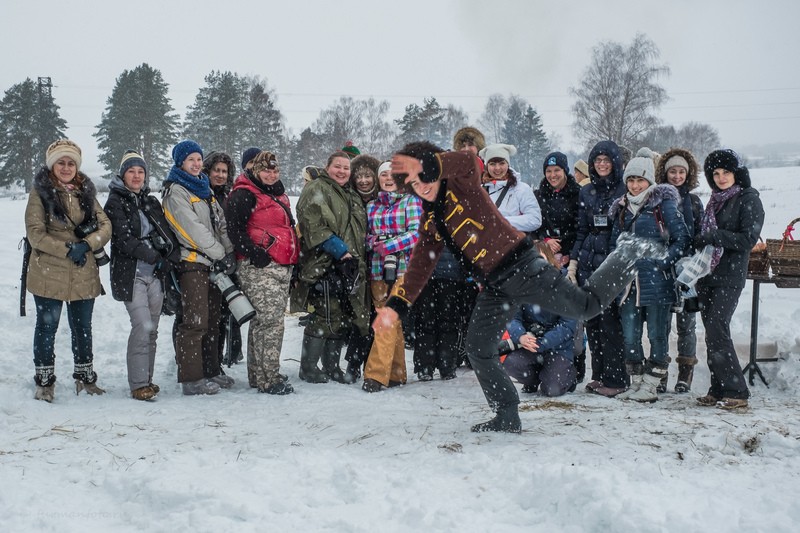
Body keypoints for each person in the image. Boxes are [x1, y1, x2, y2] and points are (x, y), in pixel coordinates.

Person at [373, 141, 663, 433]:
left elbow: (468, 161)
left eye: (423, 176)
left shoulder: (463, 184)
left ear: (435, 170)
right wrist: (395, 307)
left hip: (523, 267)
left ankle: (628, 252)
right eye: (412, 183)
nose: (420, 185)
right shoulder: (432, 219)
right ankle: (506, 413)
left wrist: (429, 163)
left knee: (587, 306)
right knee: (478, 348)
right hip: (495, 286)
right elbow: (420, 265)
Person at [25, 139, 112, 402]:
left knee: (82, 327)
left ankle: (85, 378)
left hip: (83, 270)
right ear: (52, 165)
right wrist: (67, 249)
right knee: (46, 327)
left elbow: (105, 225)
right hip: (48, 272)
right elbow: (35, 234)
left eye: (71, 162)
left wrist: (86, 244)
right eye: (61, 162)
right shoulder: (40, 193)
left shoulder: (86, 191)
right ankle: (44, 381)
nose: (66, 167)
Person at [609, 153, 690, 403]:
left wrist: (662, 263)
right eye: (631, 180)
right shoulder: (622, 208)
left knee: (657, 334)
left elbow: (682, 239)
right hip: (629, 284)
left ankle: (652, 384)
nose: (635, 186)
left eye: (640, 180)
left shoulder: (662, 204)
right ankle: (637, 381)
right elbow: (615, 241)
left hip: (658, 282)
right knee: (631, 335)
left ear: (649, 181)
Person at [105, 150, 181, 401]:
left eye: (141, 172)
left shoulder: (151, 202)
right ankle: (138, 384)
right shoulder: (115, 202)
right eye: (131, 171)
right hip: (132, 274)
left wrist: (169, 258)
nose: (136, 176)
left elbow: (167, 233)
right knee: (141, 325)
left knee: (153, 329)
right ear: (122, 174)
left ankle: (147, 379)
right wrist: (153, 257)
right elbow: (124, 240)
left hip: (155, 274)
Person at [162, 140, 236, 395]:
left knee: (213, 320)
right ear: (180, 162)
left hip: (214, 264)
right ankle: (191, 378)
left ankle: (211, 370)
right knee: (194, 322)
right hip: (192, 263)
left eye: (198, 159)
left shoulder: (204, 190)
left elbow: (221, 224)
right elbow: (192, 229)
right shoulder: (177, 191)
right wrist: (219, 252)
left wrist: (228, 252)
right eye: (190, 159)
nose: (195, 164)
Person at [694, 149, 764, 409]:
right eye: (716, 173)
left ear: (737, 173)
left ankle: (737, 391)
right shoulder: (715, 200)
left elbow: (748, 239)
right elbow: (706, 234)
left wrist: (715, 236)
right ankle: (718, 387)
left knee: (717, 327)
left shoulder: (748, 199)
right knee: (712, 334)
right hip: (707, 275)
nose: (721, 178)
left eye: (726, 172)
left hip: (730, 275)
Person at [291, 151, 369, 384]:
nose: (342, 171)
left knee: (343, 316)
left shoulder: (350, 194)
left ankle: (332, 365)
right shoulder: (317, 188)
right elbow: (312, 223)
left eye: (346, 168)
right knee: (325, 314)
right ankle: (308, 367)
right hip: (324, 263)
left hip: (349, 266)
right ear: (327, 167)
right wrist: (338, 250)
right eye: (338, 166)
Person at [225, 151, 298, 395]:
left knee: (262, 322)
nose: (271, 174)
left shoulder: (276, 194)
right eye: (266, 170)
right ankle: (270, 378)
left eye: (275, 170)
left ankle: (259, 374)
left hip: (280, 264)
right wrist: (255, 254)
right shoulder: (244, 194)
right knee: (271, 323)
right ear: (255, 170)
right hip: (260, 266)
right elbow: (235, 230)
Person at [568, 140, 628, 397]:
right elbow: (581, 229)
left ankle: (616, 379)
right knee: (592, 322)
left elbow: (624, 229)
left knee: (610, 323)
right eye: (597, 161)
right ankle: (599, 375)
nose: (602, 165)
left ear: (615, 162)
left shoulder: (624, 189)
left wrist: (615, 263)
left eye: (606, 160)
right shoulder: (586, 191)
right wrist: (574, 261)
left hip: (611, 263)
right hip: (587, 263)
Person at [361, 161, 423, 392]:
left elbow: (417, 233)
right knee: (389, 320)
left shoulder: (411, 201)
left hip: (404, 269)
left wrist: (388, 244)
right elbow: (366, 236)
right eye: (384, 174)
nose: (388, 178)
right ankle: (396, 373)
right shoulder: (372, 206)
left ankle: (375, 375)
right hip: (377, 269)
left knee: (386, 319)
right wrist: (374, 242)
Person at [655, 148, 705, 393]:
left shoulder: (694, 201)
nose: (676, 176)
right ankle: (661, 370)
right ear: (665, 173)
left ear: (688, 174)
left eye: (681, 172)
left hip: (688, 269)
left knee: (686, 323)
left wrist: (693, 254)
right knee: (662, 322)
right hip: (663, 266)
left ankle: (685, 371)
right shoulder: (656, 198)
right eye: (672, 171)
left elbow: (701, 233)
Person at [501, 241, 578, 397]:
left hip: (558, 347)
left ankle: (566, 376)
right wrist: (521, 336)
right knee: (510, 364)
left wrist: (543, 342)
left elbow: (567, 326)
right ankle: (534, 379)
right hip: (530, 343)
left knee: (552, 390)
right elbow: (513, 318)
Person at [534, 151, 585, 382]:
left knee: (573, 313)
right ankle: (540, 364)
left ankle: (577, 362)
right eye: (549, 171)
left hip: (570, 258)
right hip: (545, 258)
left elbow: (581, 227)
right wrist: (545, 241)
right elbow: (533, 225)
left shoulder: (577, 195)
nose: (553, 175)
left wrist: (567, 251)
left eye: (557, 170)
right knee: (544, 311)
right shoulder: (539, 195)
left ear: (565, 171)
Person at [341, 154, 382, 381]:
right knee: (359, 315)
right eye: (359, 176)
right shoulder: (349, 198)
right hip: (355, 263)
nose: (364, 180)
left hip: (379, 264)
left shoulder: (383, 199)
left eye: (368, 175)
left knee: (376, 314)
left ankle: (372, 362)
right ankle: (354, 363)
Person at [203, 151, 243, 368]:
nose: (220, 175)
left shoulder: (230, 196)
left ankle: (217, 362)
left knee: (222, 315)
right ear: (207, 171)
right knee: (202, 317)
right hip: (206, 260)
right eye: (216, 170)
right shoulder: (201, 193)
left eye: (224, 171)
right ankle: (198, 363)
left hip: (227, 261)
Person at [478, 143, 542, 233]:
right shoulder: (479, 191)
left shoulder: (521, 189)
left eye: (502, 163)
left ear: (508, 164)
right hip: (484, 244)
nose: (497, 168)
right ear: (487, 166)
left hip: (513, 244)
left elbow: (535, 220)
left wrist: (501, 222)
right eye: (492, 164)